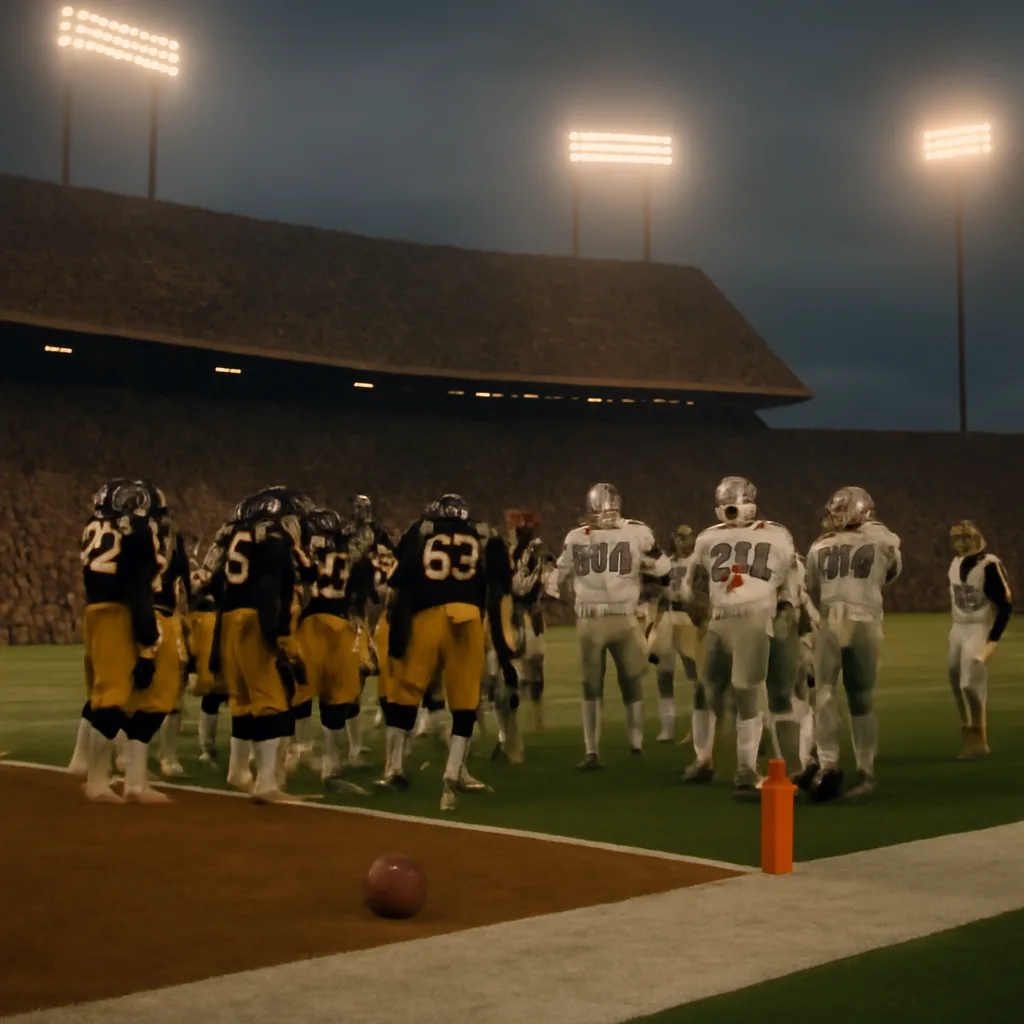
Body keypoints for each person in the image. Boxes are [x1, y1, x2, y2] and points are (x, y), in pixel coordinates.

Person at [379, 494, 516, 811]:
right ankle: (454, 771)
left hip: (426, 617)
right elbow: (502, 579)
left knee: (406, 693)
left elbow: (398, 576)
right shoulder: (481, 533)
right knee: (465, 699)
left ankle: (394, 767)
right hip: (467, 617)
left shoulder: (422, 529)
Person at [685, 476, 798, 800]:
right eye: (725, 504)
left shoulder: (775, 533)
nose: (731, 509)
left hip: (754, 617)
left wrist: (788, 612)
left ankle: (747, 769)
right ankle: (703, 759)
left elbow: (789, 580)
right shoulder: (709, 537)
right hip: (721, 619)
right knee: (706, 690)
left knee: (746, 691)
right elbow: (693, 583)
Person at [547, 483, 670, 768]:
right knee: (592, 685)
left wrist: (651, 557)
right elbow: (561, 570)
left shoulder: (633, 532)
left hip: (621, 617)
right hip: (594, 617)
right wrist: (551, 586)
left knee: (630, 681)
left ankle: (634, 744)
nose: (608, 511)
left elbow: (663, 568)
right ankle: (594, 750)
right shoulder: (578, 537)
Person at [212, 486, 314, 802]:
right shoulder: (273, 538)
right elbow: (271, 588)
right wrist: (276, 635)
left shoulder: (234, 533)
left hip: (230, 618)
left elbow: (216, 583)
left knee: (243, 701)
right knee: (270, 700)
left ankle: (238, 770)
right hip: (256, 620)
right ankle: (266, 783)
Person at [803, 486, 902, 801]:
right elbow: (890, 574)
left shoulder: (820, 545)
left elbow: (811, 586)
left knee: (828, 694)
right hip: (864, 618)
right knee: (857, 698)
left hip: (833, 618)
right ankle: (860, 770)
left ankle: (831, 764)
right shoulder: (883, 539)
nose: (836, 517)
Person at [72, 479, 162, 803]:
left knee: (103, 695)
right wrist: (148, 640)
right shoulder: (137, 530)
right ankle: (96, 781)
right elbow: (137, 586)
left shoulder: (94, 524)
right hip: (118, 614)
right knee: (113, 699)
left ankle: (95, 775)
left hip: (94, 611)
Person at [296, 507, 377, 790]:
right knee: (337, 697)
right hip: (340, 624)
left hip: (310, 624)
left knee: (299, 692)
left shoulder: (303, 548)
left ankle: (297, 752)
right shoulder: (346, 549)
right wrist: (364, 521)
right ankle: (330, 765)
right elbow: (365, 541)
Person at [946, 519, 1012, 758]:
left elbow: (1004, 606)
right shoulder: (955, 563)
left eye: (966, 538)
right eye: (958, 539)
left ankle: (979, 737)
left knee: (970, 684)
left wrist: (991, 643)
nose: (962, 543)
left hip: (978, 627)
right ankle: (968, 732)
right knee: (955, 682)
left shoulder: (989, 565)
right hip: (958, 627)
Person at [646, 525, 703, 743]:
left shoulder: (698, 561)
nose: (680, 541)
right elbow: (659, 594)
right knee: (664, 674)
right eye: (678, 537)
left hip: (688, 616)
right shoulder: (667, 563)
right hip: (669, 615)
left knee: (695, 675)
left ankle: (697, 729)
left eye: (684, 537)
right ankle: (667, 727)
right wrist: (654, 624)